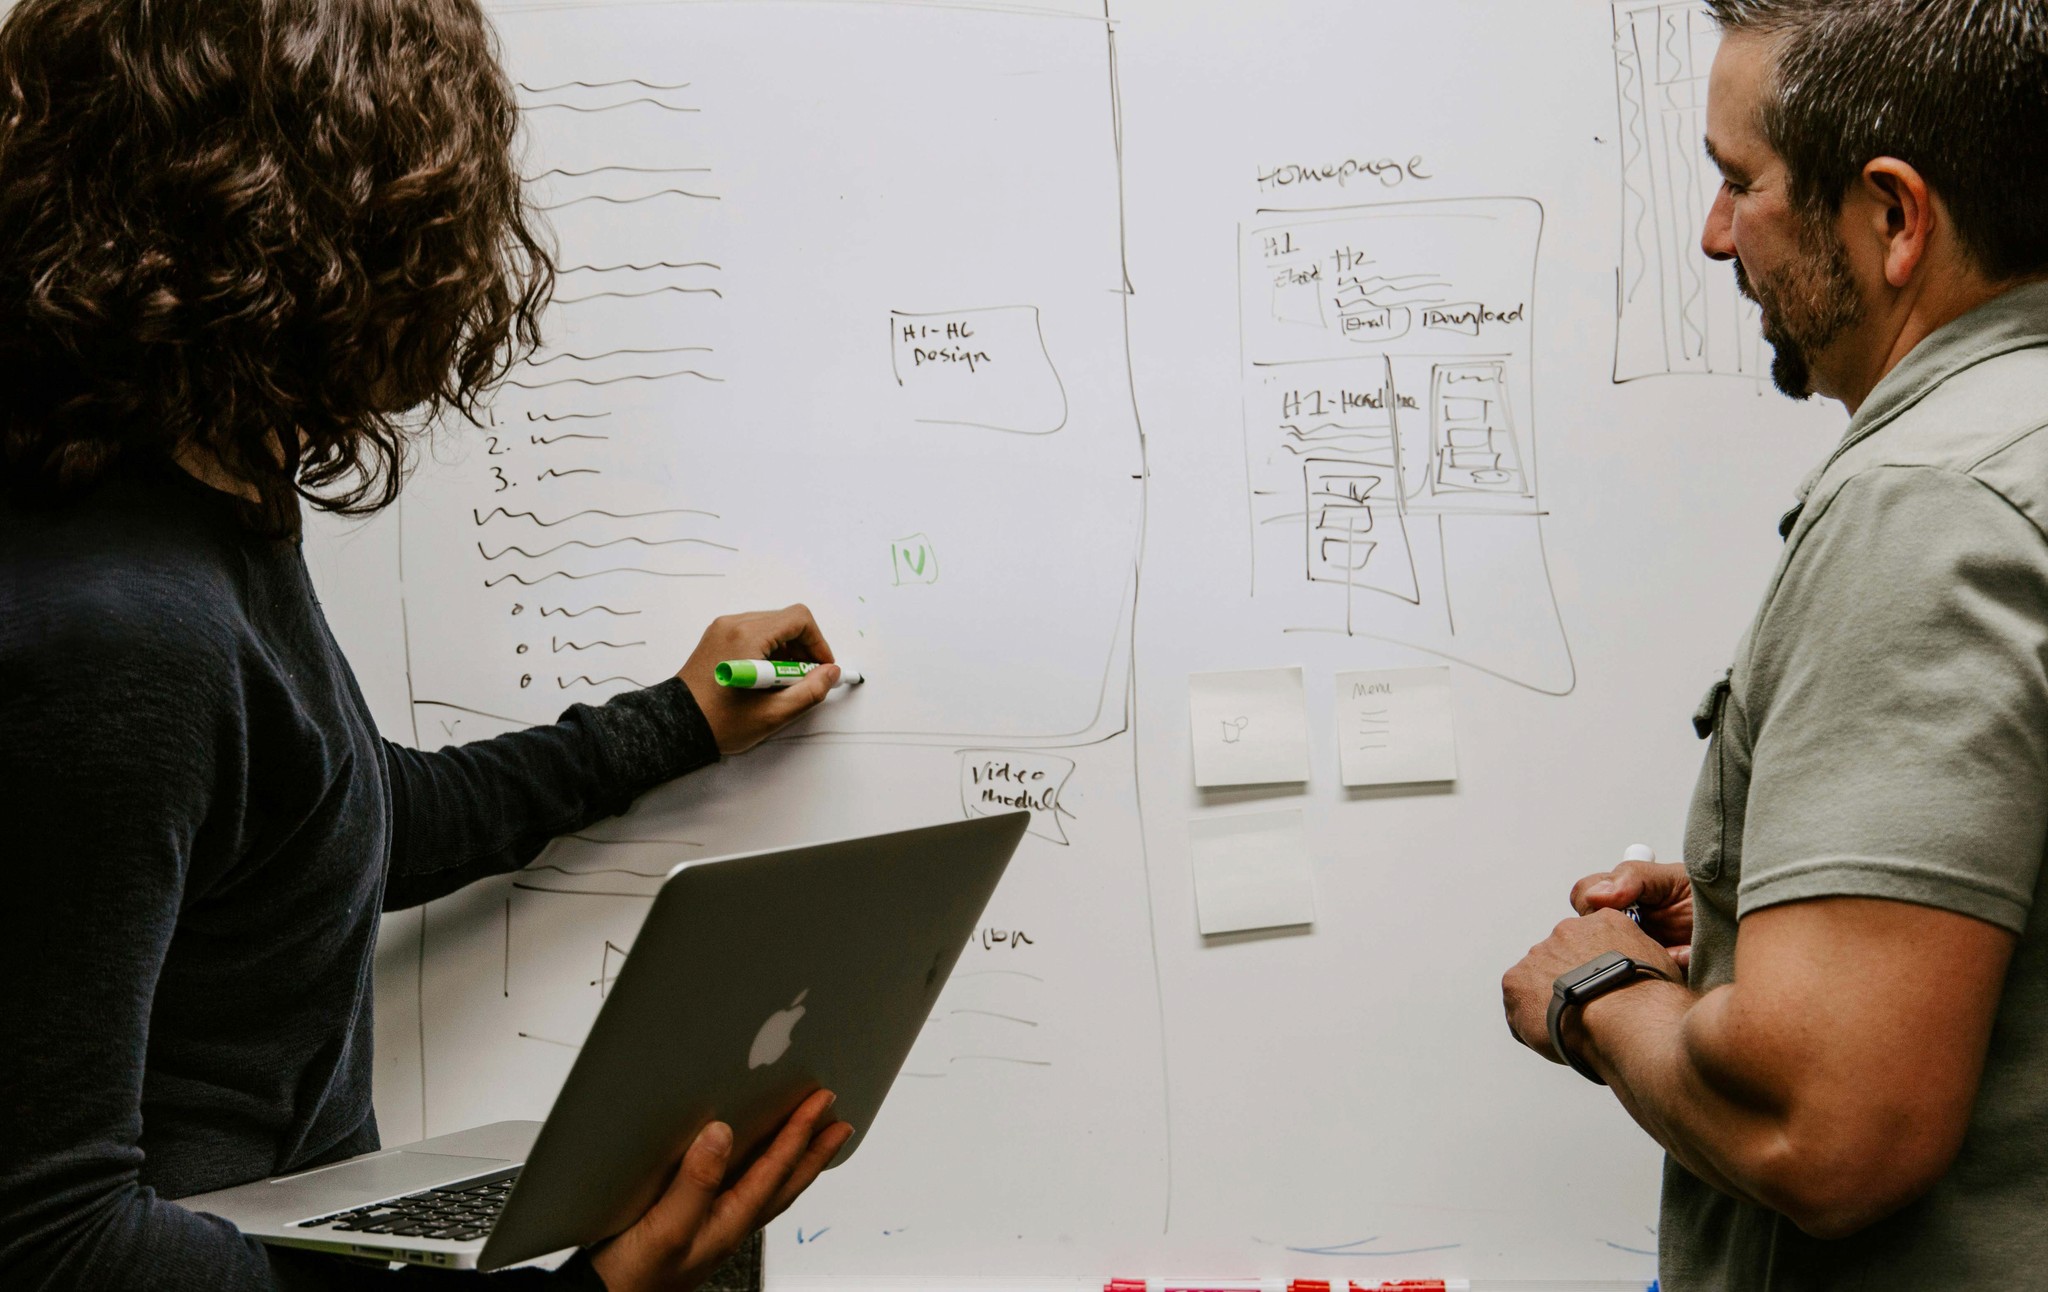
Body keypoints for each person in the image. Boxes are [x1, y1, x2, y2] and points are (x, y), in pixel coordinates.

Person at [0, 1, 851, 1288]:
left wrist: (681, 716)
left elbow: (335, 823)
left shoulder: (199, 502)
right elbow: (49, 1240)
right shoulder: (117, 628)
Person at [1501, 1, 2048, 1288]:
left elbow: (1829, 1127)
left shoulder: (1927, 502)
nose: (1710, 236)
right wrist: (1758, 922)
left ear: (1892, 215)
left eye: (1737, 182)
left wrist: (1595, 994)